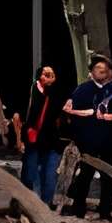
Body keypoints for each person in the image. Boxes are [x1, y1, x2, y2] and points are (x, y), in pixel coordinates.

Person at [63, 54, 112, 219]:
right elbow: (70, 113)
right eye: (98, 68)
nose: (102, 71)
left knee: (108, 177)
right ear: (91, 71)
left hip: (109, 141)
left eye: (105, 69)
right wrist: (80, 139)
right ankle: (78, 209)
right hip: (89, 141)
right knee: (86, 174)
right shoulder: (82, 90)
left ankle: (105, 211)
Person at [16, 61, 68, 201]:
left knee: (49, 176)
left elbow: (62, 115)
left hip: (51, 141)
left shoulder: (57, 93)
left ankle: (45, 206)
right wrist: (19, 140)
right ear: (39, 76)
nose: (49, 77)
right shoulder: (31, 92)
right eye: (46, 74)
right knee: (31, 175)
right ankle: (29, 204)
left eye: (52, 75)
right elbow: (18, 117)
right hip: (33, 139)